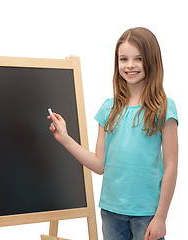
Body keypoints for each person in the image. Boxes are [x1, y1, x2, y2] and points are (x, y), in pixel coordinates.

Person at [47, 27, 178, 240]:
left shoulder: (163, 109)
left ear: (152, 61)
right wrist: (65, 138)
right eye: (123, 59)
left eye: (139, 59)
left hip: (147, 214)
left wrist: (161, 217)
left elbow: (171, 166)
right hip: (111, 212)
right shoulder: (108, 109)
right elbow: (99, 165)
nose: (130, 65)